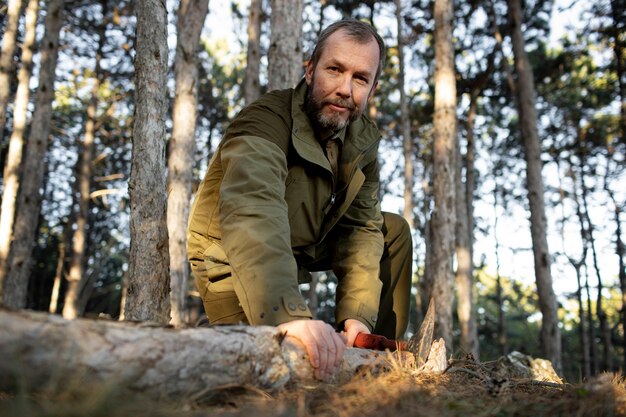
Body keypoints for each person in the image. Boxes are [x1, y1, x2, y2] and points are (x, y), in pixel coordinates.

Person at [187, 19, 413, 381]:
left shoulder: (361, 141)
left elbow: (361, 229)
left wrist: (358, 318)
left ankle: (376, 364)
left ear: (372, 87)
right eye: (334, 70)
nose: (344, 89)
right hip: (232, 258)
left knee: (391, 231)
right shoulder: (263, 121)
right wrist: (289, 316)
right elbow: (253, 214)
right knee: (271, 375)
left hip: (302, 243)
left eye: (360, 78)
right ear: (310, 70)